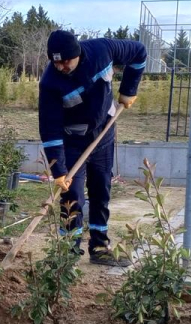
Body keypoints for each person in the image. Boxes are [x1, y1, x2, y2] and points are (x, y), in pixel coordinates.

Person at [38, 30, 147, 267]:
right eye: (55, 62)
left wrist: (129, 89)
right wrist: (58, 170)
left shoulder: (102, 50)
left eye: (65, 61)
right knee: (72, 195)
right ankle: (68, 250)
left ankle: (99, 246)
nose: (61, 67)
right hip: (72, 141)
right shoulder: (50, 83)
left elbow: (139, 52)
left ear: (77, 54)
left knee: (101, 190)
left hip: (104, 134)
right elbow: (49, 129)